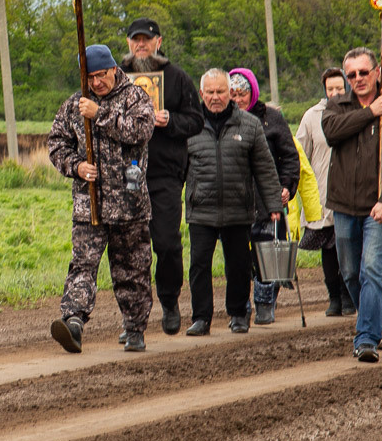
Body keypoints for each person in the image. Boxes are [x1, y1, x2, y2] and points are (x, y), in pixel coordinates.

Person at [47, 44, 157, 353]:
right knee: (83, 265)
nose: (97, 83)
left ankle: (135, 329)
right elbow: (56, 144)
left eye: (101, 75)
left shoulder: (135, 96)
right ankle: (73, 323)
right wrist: (77, 167)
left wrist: (100, 114)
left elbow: (141, 130)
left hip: (130, 204)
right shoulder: (74, 105)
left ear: (113, 69)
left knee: (132, 271)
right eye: (90, 77)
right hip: (88, 204)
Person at [322, 47, 382, 363]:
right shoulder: (336, 106)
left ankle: (367, 338)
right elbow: (332, 132)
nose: (358, 79)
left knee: (372, 269)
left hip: (379, 207)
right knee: (350, 272)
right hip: (344, 204)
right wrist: (369, 112)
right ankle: (374, 316)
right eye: (351, 75)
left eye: (363, 72)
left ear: (376, 72)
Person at [120, 18, 205, 335]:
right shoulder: (115, 77)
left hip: (165, 172)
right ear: (129, 43)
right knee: (129, 249)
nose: (141, 45)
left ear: (158, 42)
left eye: (146, 39)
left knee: (167, 244)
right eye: (135, 40)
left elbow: (196, 120)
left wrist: (170, 120)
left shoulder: (176, 77)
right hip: (126, 174)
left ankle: (169, 301)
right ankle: (133, 318)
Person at [183, 69, 284, 335]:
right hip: (200, 209)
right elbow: (178, 170)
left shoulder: (249, 125)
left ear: (230, 94)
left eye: (220, 92)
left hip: (238, 208)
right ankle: (201, 318)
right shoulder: (189, 126)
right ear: (201, 93)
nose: (215, 97)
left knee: (238, 265)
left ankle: (238, 313)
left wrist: (274, 204)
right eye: (210, 92)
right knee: (199, 265)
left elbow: (265, 168)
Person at [230, 67, 301, 324]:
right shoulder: (224, 120)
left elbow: (290, 157)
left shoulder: (272, 118)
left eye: (242, 93)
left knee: (270, 251)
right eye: (233, 94)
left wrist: (287, 186)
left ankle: (265, 302)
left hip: (268, 197)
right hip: (236, 200)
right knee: (239, 256)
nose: (237, 99)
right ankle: (242, 305)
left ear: (253, 92)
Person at [296, 68, 353, 317]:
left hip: (349, 192)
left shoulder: (356, 113)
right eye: (330, 89)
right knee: (328, 248)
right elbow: (300, 154)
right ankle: (334, 297)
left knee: (349, 245)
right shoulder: (312, 117)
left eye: (339, 88)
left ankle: (349, 294)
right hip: (321, 192)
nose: (334, 93)